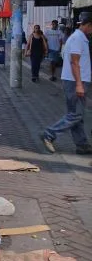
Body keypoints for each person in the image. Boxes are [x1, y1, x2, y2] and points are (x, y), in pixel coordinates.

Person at [41, 12, 92, 155]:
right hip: (75, 81)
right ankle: (49, 134)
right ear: (88, 25)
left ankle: (82, 144)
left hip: (74, 81)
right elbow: (74, 62)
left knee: (77, 114)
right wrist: (79, 84)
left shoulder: (79, 38)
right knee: (75, 115)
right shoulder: (77, 39)